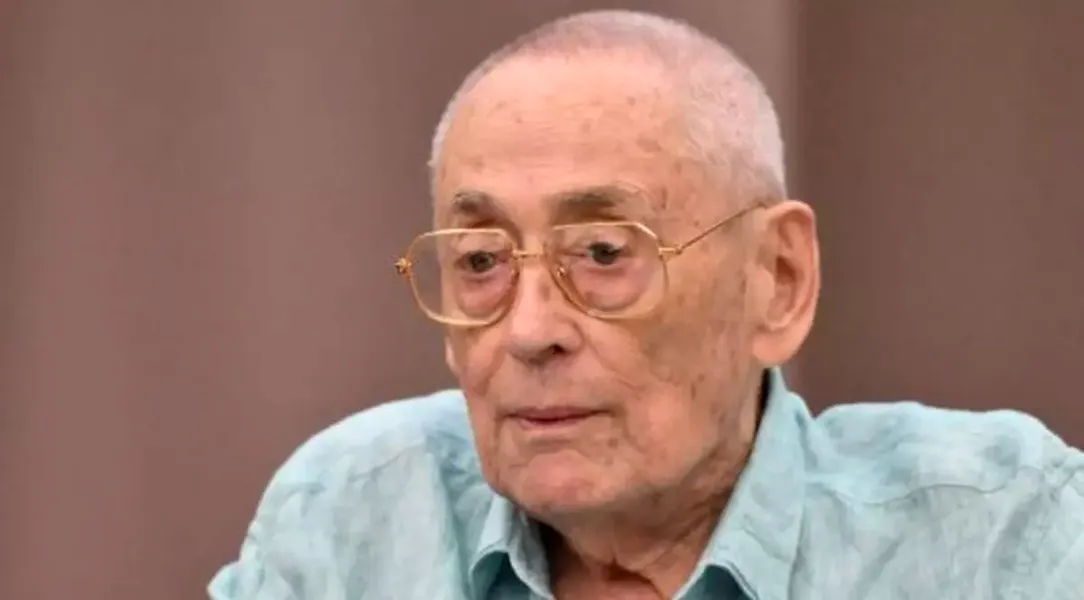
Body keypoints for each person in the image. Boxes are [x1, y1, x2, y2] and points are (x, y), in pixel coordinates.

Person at [208, 10, 1084, 600]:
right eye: (481, 261)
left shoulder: (1000, 535)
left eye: (602, 254)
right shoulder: (351, 519)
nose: (530, 330)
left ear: (777, 280)